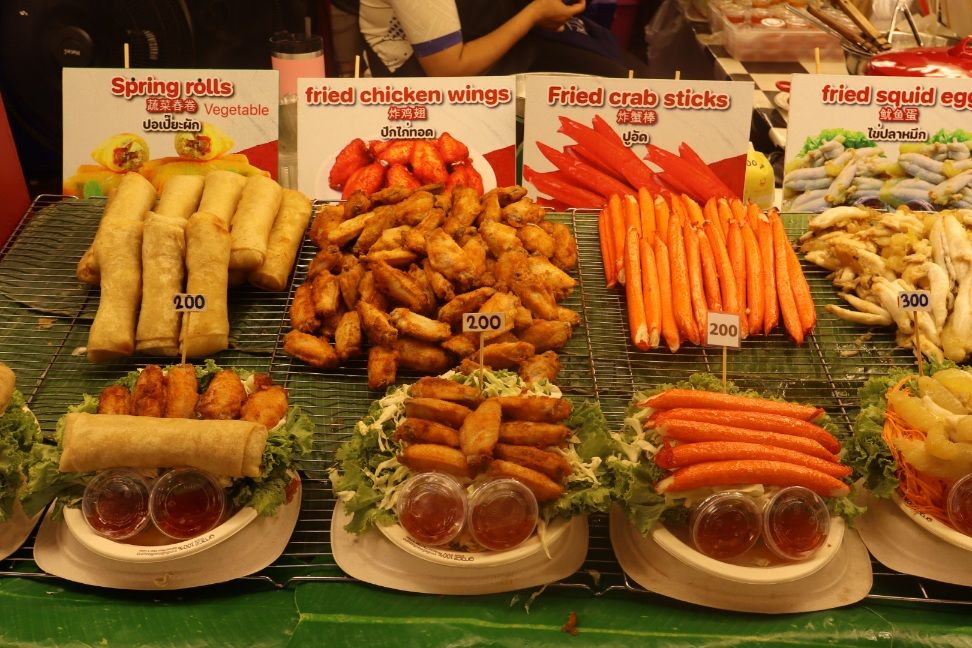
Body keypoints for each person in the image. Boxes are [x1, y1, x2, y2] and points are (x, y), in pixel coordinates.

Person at [359, 0, 649, 77]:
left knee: (632, 79)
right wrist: (534, 14)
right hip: (426, 82)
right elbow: (448, 68)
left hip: (504, 41)